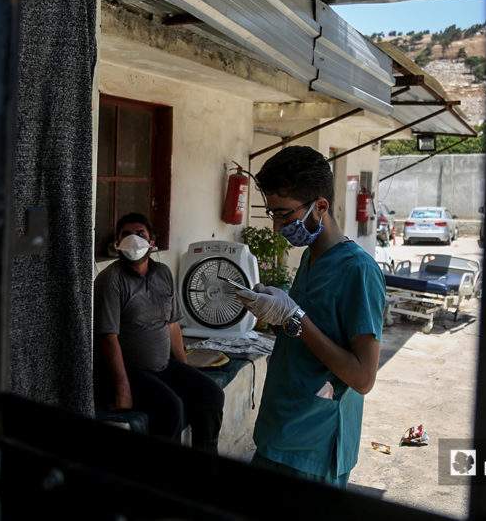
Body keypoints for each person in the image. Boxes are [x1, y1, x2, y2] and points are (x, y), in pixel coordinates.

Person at [236, 146, 386, 488]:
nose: (276, 226)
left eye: (285, 215)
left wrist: (294, 317)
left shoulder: (358, 272)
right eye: (272, 214)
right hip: (279, 431)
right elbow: (309, 336)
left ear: (321, 207)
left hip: (313, 447)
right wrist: (273, 313)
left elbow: (363, 378)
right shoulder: (310, 258)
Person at [94, 212, 225, 453]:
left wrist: (185, 369)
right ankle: (166, 479)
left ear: (151, 243)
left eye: (140, 234)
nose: (134, 240)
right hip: (132, 371)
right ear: (117, 244)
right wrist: (123, 389)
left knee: (211, 395)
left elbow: (172, 324)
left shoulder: (163, 273)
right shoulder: (111, 280)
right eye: (126, 235)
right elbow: (107, 338)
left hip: (165, 366)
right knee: (169, 408)